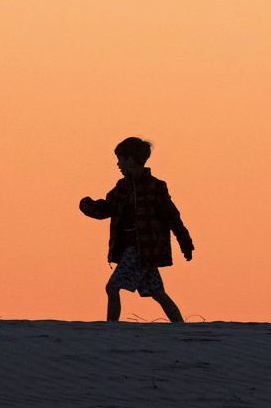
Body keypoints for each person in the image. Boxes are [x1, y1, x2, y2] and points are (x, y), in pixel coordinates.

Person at [79, 137, 195, 322]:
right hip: (135, 251)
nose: (118, 164)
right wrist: (88, 206)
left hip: (142, 251)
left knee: (112, 287)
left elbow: (173, 217)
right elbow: (108, 208)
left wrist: (185, 243)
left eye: (121, 159)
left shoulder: (156, 187)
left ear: (132, 159)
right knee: (158, 293)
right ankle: (180, 328)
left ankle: (111, 329)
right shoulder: (123, 187)